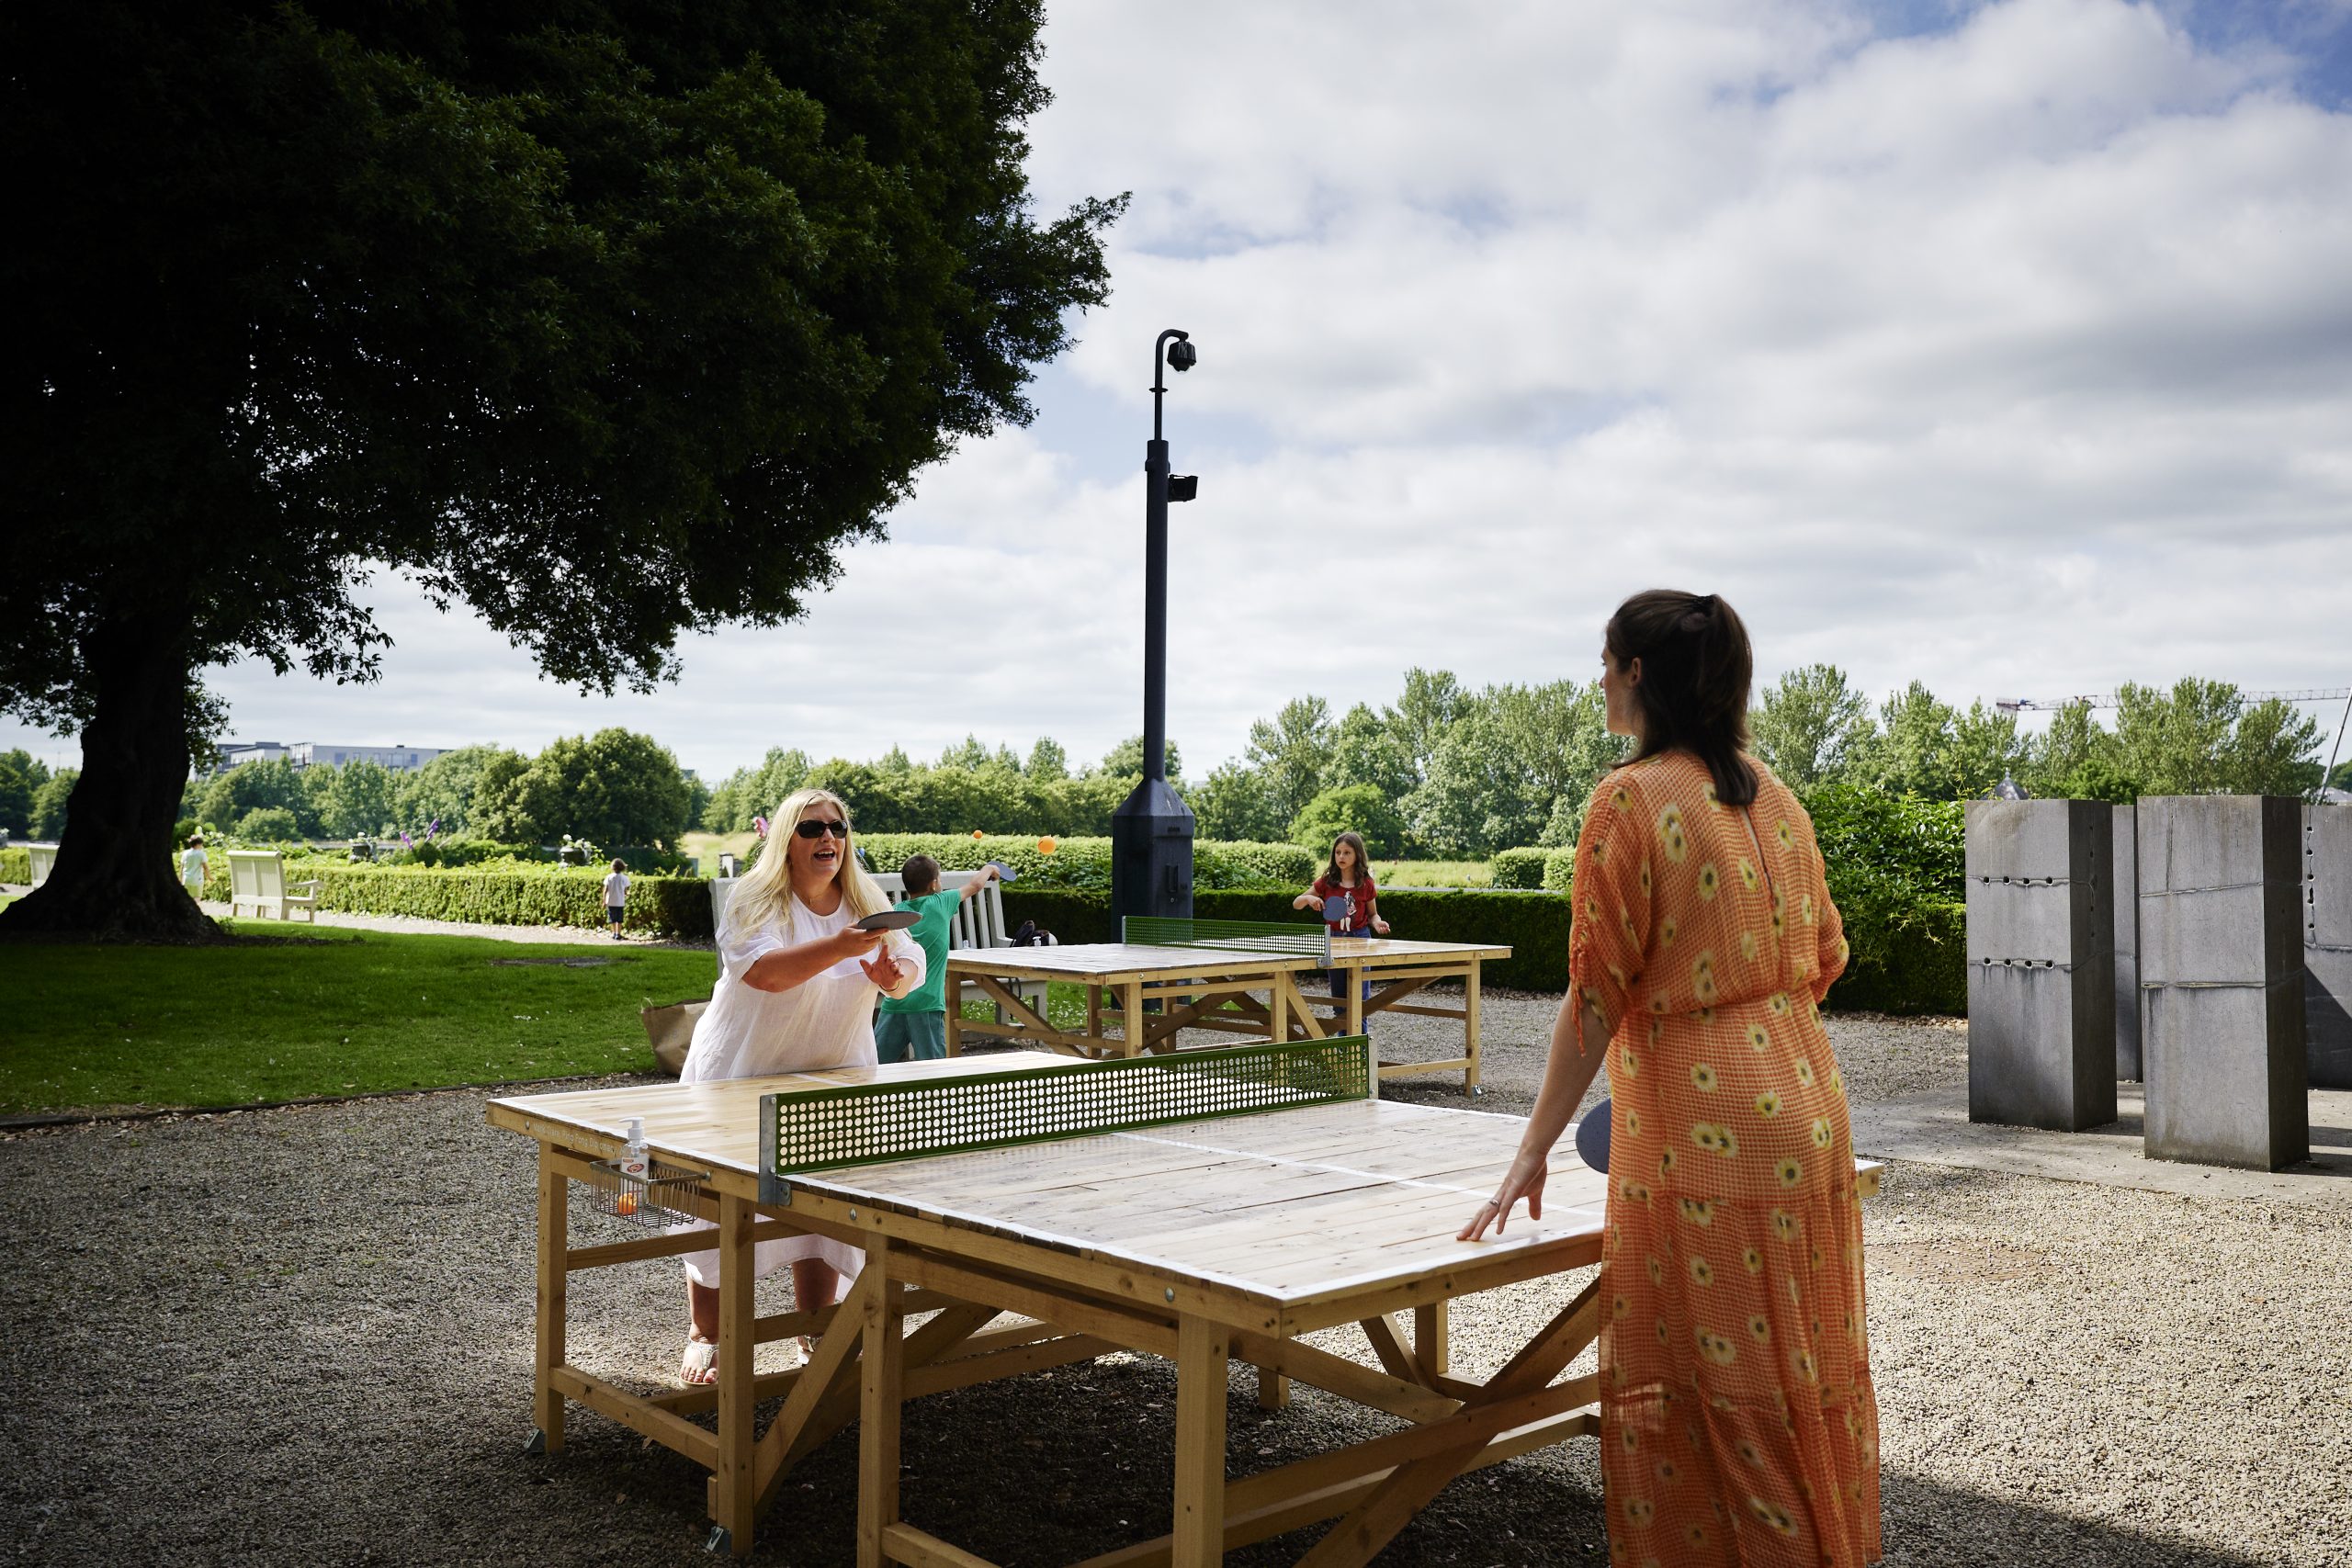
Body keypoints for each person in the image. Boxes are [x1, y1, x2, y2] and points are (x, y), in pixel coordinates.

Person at [1458, 590, 1879, 1566]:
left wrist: (1531, 1150)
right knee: (1799, 1370)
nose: (1596, 676)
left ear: (1637, 673)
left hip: (1703, 1122)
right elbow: (1824, 959)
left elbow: (1594, 997)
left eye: (1604, 659)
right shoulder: (1774, 795)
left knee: (1716, 1391)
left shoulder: (1628, 799)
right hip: (1805, 1101)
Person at [673, 787, 924, 1385]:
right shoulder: (755, 900)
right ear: (786, 838)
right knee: (719, 1210)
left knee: (824, 1213)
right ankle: (705, 1332)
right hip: (738, 1077)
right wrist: (841, 946)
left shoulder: (865, 899)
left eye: (837, 828)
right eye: (813, 828)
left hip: (832, 1080)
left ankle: (816, 1332)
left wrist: (895, 977)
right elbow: (762, 972)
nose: (828, 838)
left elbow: (910, 960)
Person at [876, 856, 1001, 1064]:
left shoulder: (896, 912)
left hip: (894, 1003)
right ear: (934, 884)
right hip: (927, 1006)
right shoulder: (941, 902)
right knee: (934, 1071)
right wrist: (989, 868)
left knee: (875, 1066)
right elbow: (975, 885)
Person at [1291, 830, 1389, 999]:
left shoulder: (1366, 883)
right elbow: (1296, 904)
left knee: (1360, 999)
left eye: (1347, 852)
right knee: (1339, 998)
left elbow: (1373, 914)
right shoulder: (1327, 881)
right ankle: (1342, 1026)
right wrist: (1308, 898)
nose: (1341, 856)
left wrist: (1378, 923)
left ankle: (1358, 1028)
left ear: (1357, 855)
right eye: (1338, 852)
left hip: (1360, 940)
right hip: (1334, 940)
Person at [601, 858, 629, 941]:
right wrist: (627, 894)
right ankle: (619, 933)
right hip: (620, 901)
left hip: (610, 901)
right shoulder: (624, 878)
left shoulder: (609, 877)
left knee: (612, 918)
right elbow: (625, 890)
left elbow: (606, 889)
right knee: (619, 918)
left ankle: (614, 933)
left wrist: (604, 900)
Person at [179, 834, 208, 900]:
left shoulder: (185, 853)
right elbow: (205, 867)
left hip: (186, 879)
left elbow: (182, 867)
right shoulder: (201, 854)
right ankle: (194, 910)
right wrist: (209, 877)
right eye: (201, 844)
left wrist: (180, 879)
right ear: (198, 844)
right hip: (197, 880)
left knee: (186, 897)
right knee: (197, 897)